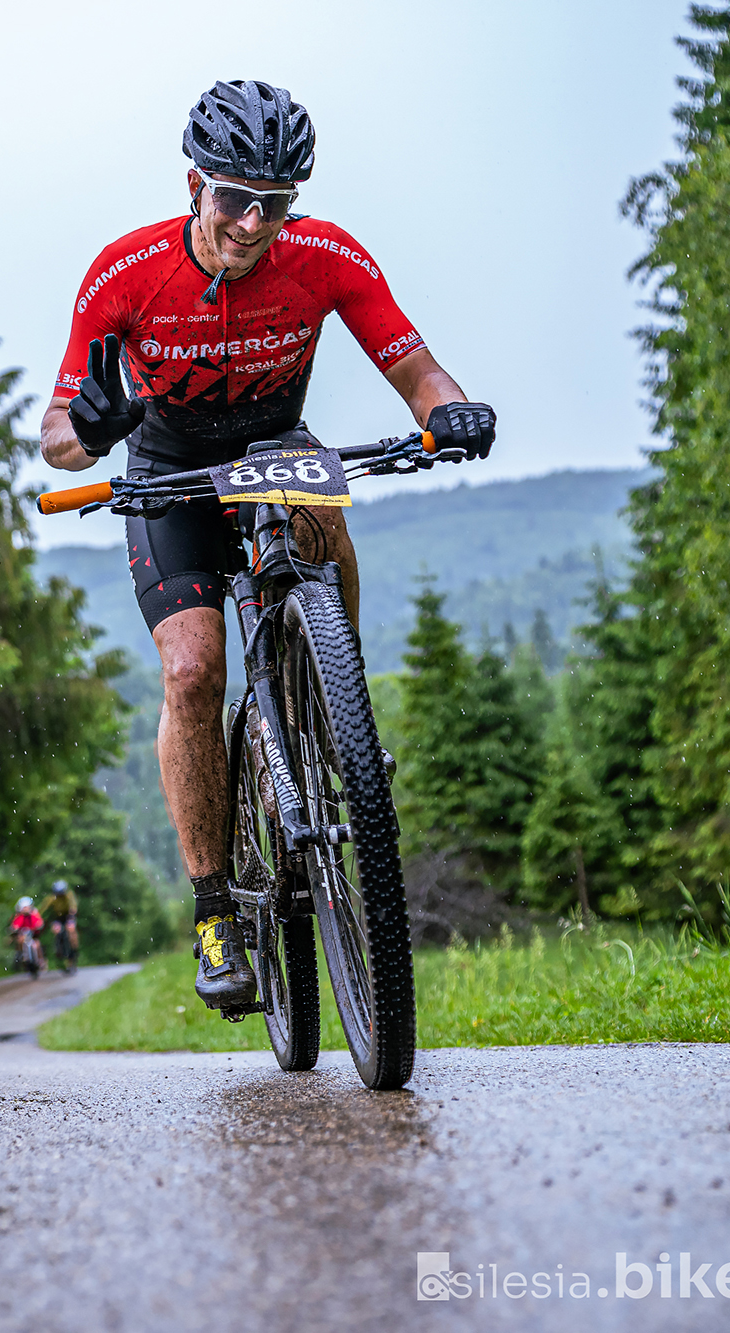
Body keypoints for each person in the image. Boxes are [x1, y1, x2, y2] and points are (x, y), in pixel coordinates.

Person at [39, 80, 496, 1011]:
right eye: (236, 198)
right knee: (193, 672)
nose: (253, 224)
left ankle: (338, 717)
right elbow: (58, 438)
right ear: (195, 187)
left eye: (275, 203)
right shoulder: (124, 273)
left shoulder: (324, 256)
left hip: (271, 449)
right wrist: (90, 426)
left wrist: (450, 410)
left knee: (325, 509)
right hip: (168, 469)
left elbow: (416, 369)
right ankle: (214, 909)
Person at [38, 878, 79, 966]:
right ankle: (59, 947)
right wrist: (39, 918)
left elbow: (73, 907)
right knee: (56, 930)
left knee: (71, 930)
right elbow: (43, 910)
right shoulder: (51, 898)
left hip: (68, 916)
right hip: (57, 917)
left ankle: (74, 949)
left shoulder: (69, 895)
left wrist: (72, 914)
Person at [9, 896, 45, 972]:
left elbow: (38, 921)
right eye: (24, 908)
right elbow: (16, 924)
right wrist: (14, 928)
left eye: (27, 907)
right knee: (20, 941)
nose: (26, 909)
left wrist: (38, 925)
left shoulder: (33, 914)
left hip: (33, 935)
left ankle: (40, 960)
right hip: (23, 935)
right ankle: (22, 956)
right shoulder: (19, 916)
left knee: (37, 944)